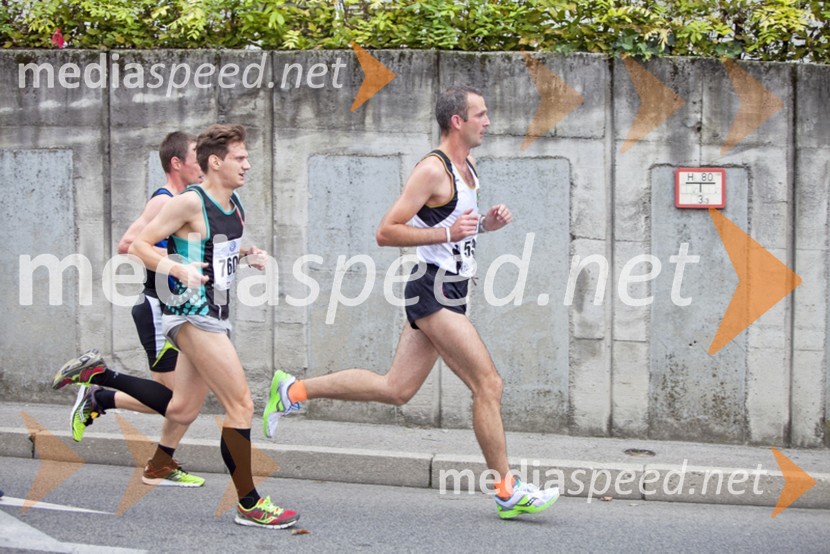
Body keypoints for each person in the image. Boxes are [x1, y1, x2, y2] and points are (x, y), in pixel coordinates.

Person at [263, 85, 559, 520]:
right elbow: (386, 231)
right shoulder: (432, 170)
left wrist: (485, 226)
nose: (488, 121)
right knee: (488, 384)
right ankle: (507, 490)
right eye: (480, 114)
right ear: (457, 121)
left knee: (396, 389)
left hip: (454, 289)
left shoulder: (468, 167)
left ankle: (292, 390)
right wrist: (448, 233)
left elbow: (456, 228)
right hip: (432, 289)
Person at [53, 124, 299, 529]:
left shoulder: (234, 204)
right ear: (215, 162)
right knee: (241, 406)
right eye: (240, 158)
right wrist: (174, 267)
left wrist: (246, 255)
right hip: (190, 315)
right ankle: (249, 504)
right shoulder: (188, 202)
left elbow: (215, 252)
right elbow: (138, 245)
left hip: (216, 314)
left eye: (246, 157)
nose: (248, 165)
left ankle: (100, 380)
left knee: (182, 407)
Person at [59, 131, 205, 488]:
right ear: (177, 163)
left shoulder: (185, 201)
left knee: (182, 401)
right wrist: (177, 260)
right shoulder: (163, 201)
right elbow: (127, 244)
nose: (202, 163)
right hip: (156, 309)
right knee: (177, 402)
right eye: (196, 156)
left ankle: (103, 399)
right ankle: (100, 384)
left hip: (175, 310)